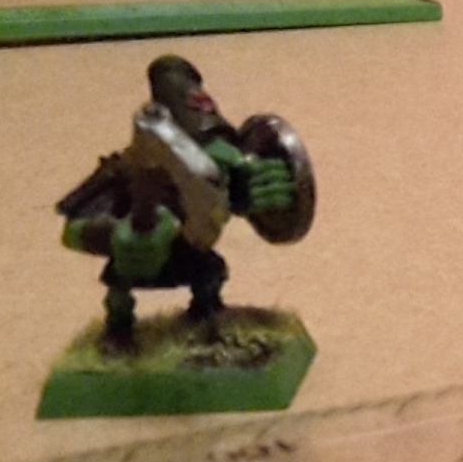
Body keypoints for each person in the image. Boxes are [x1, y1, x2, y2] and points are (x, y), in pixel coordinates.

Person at [57, 56, 294, 345]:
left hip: (188, 250)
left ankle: (206, 314)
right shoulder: (122, 172)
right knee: (120, 286)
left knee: (209, 274)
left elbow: (240, 201)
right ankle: (119, 330)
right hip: (135, 256)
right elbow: (73, 230)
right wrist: (114, 235)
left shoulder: (218, 172)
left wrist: (264, 190)